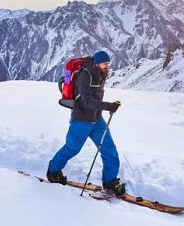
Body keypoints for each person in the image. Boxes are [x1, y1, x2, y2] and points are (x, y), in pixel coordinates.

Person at [47, 50, 126, 195]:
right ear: (96, 63)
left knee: (109, 149)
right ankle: (53, 171)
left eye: (108, 63)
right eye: (104, 63)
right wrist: (108, 106)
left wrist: (105, 107)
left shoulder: (101, 73)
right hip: (81, 120)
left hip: (97, 119)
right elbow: (86, 101)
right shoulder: (85, 75)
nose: (107, 66)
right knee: (72, 149)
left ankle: (110, 181)